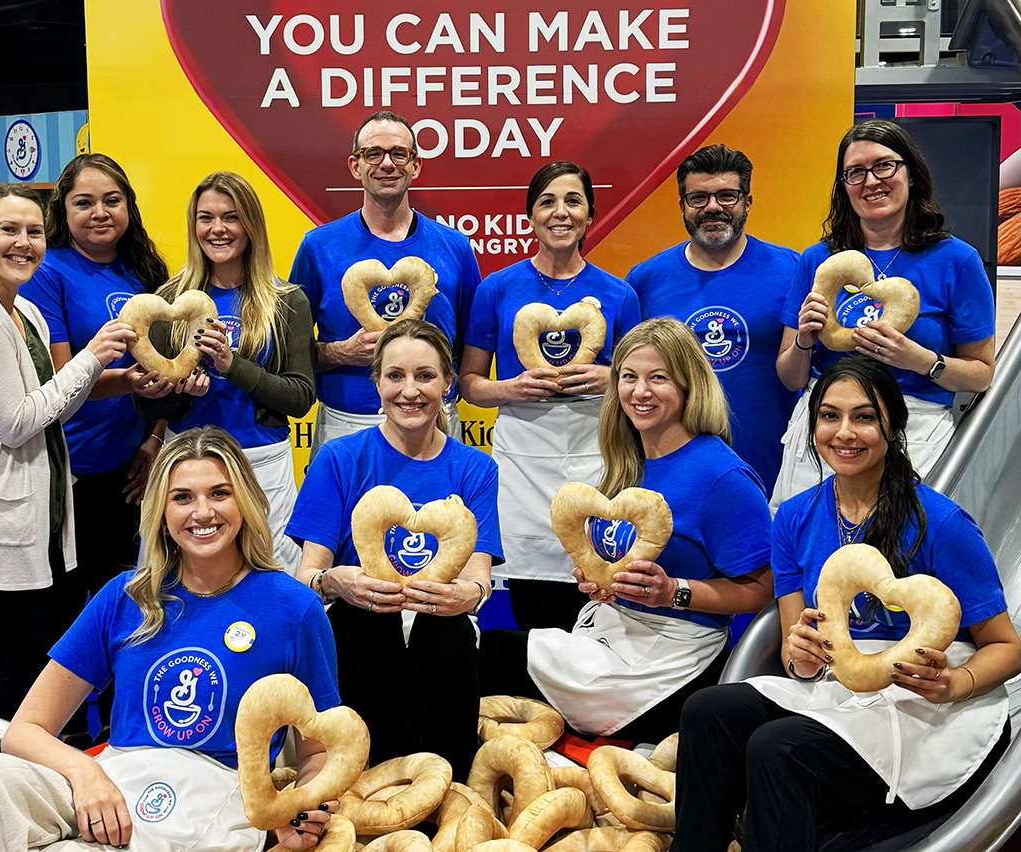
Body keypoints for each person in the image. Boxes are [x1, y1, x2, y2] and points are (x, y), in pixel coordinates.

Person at [0, 427, 341, 852]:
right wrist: (84, 770)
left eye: (219, 493)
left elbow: (318, 752)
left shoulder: (293, 608)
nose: (202, 512)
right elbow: (25, 729)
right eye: (182, 497)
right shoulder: (126, 596)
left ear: (246, 502)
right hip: (115, 781)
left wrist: (303, 807)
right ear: (161, 512)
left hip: (219, 804)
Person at [671, 357, 1019, 852]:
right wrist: (805, 658)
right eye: (830, 416)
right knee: (707, 711)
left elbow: (1007, 646)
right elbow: (799, 659)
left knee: (778, 748)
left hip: (932, 702)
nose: (844, 433)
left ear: (892, 426)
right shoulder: (793, 518)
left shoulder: (941, 524)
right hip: (845, 690)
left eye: (864, 416)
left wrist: (953, 684)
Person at [480, 318, 773, 744]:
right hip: (609, 631)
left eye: (659, 378)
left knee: (489, 657)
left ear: (689, 384)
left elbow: (765, 589)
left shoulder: (721, 476)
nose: (640, 392)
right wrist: (602, 582)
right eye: (628, 377)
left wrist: (673, 590)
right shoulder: (627, 460)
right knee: (476, 651)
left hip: (672, 659)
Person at [0, 184, 133, 765]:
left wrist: (117, 381)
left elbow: (53, 405)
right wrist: (94, 357)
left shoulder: (26, 311)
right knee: (15, 680)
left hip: (38, 525)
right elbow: (18, 423)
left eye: (34, 232)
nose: (23, 243)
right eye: (8, 230)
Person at [287, 319, 503, 783]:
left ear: (448, 384)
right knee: (367, 622)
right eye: (395, 376)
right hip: (362, 625)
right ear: (377, 383)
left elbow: (477, 580)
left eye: (425, 376)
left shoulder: (476, 468)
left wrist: (468, 596)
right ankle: (381, 782)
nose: (410, 391)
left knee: (444, 629)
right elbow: (306, 577)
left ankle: (447, 785)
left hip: (441, 628)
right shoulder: (339, 458)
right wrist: (334, 581)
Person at [19, 153, 173, 740]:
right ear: (64, 211)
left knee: (128, 604)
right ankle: (64, 736)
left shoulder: (146, 273)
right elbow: (63, 379)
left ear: (129, 206)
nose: (100, 212)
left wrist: (153, 441)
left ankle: (121, 728)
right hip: (65, 474)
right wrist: (130, 381)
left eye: (112, 199)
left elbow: (166, 373)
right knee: (64, 611)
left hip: (130, 470)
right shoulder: (49, 271)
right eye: (84, 202)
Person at [773, 119, 996, 508]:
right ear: (844, 187)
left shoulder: (956, 261)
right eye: (855, 172)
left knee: (898, 554)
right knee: (809, 550)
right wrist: (805, 341)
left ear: (911, 173)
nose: (871, 180)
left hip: (912, 428)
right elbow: (790, 376)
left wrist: (920, 360)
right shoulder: (817, 261)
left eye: (884, 165)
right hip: (825, 425)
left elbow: (981, 373)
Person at [460, 161, 642, 631]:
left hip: (597, 457)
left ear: (589, 215)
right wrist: (510, 387)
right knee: (532, 611)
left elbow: (642, 385)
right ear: (530, 217)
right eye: (547, 202)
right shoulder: (496, 288)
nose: (560, 213)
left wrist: (609, 380)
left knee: (598, 598)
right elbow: (470, 383)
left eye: (573, 201)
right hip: (522, 463)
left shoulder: (619, 295)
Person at [134, 171, 316, 574]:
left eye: (231, 217)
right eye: (206, 218)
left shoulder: (286, 300)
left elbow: (300, 398)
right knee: (177, 575)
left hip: (260, 462)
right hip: (185, 461)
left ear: (250, 225)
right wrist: (179, 394)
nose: (217, 229)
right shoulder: (168, 299)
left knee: (272, 576)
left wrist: (232, 366)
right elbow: (147, 409)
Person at [289, 110, 479, 456]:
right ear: (355, 166)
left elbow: (468, 347)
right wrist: (341, 351)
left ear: (415, 165)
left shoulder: (455, 248)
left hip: (435, 419)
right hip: (346, 423)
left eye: (399, 153)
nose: (387, 164)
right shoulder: (318, 247)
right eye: (373, 154)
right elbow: (292, 353)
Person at [626, 144, 799, 491]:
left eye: (726, 196)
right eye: (699, 198)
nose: (713, 207)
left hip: (776, 471)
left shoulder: (793, 270)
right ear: (682, 206)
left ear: (747, 202)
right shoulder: (644, 280)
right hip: (673, 475)